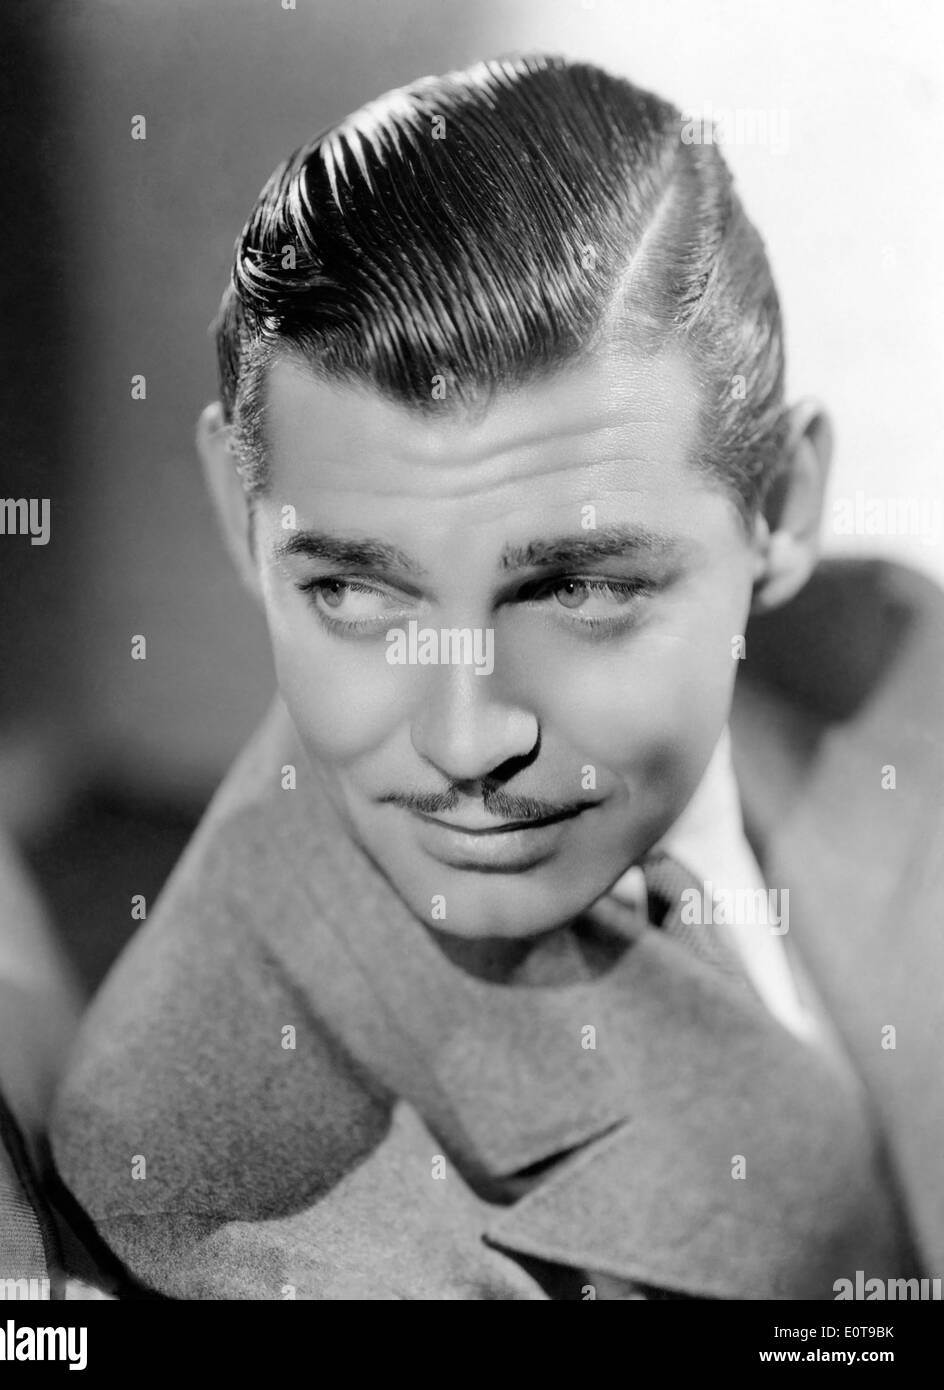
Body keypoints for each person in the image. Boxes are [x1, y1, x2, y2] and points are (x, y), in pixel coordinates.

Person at [48, 54, 942, 1299]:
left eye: (579, 589)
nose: (465, 740)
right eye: (355, 590)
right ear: (239, 514)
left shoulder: (893, 659)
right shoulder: (250, 1201)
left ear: (781, 507)